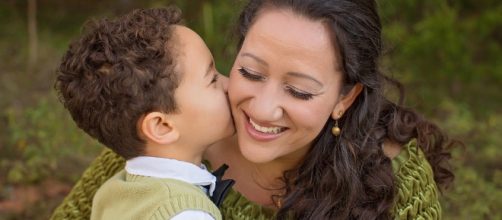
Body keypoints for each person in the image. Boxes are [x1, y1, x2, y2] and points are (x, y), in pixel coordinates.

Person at [51, 0, 456, 219]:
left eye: (298, 91)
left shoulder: (397, 183)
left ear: (343, 99)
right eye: (249, 72)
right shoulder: (165, 143)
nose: (262, 109)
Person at [54, 7, 235, 220]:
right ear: (162, 126)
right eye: (212, 79)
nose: (230, 85)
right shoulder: (188, 214)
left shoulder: (112, 193)